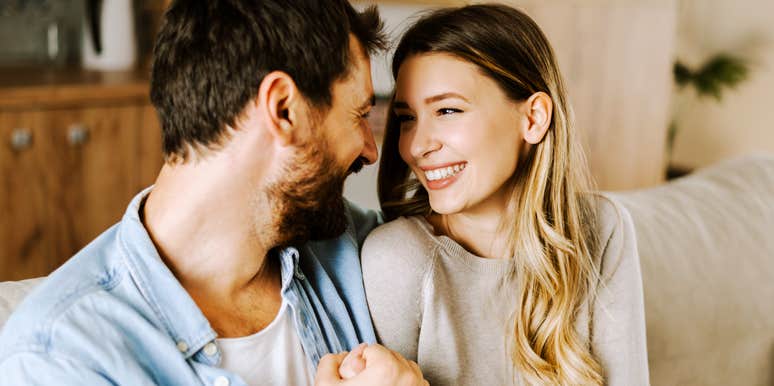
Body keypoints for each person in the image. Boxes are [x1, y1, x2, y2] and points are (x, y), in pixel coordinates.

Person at [0, 1, 426, 385]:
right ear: (282, 109)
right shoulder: (59, 356)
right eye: (360, 114)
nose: (371, 150)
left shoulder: (350, 249)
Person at [362, 4, 649, 386]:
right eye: (408, 118)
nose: (416, 146)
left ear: (533, 119)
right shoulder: (397, 260)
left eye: (447, 110)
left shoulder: (603, 229)